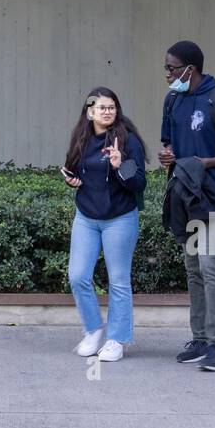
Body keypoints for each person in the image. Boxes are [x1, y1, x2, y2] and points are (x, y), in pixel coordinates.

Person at [158, 40, 215, 373]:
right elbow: (168, 143)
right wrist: (167, 155)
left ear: (190, 69)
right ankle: (199, 339)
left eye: (171, 68)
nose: (167, 74)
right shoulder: (172, 101)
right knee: (193, 267)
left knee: (210, 264)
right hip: (185, 194)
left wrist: (206, 162)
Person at [63, 86, 147, 363]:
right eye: (101, 107)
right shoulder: (82, 138)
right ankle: (93, 329)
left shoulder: (127, 140)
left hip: (120, 218)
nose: (107, 112)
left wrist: (119, 165)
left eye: (111, 107)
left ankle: (116, 339)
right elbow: (74, 170)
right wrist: (71, 179)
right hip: (87, 217)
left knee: (119, 281)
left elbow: (138, 183)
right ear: (90, 112)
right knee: (78, 275)